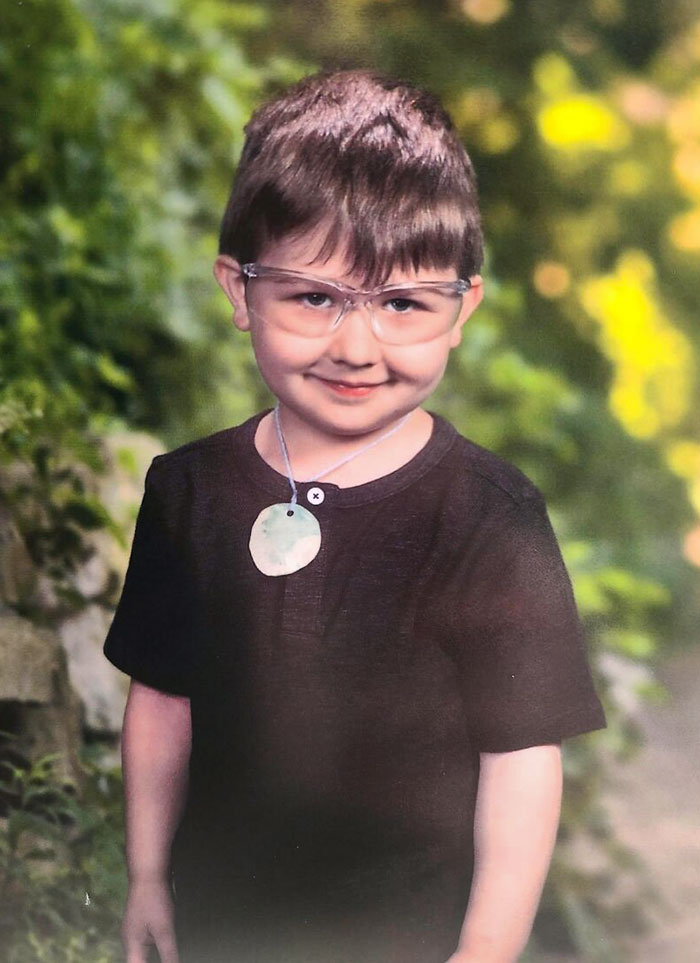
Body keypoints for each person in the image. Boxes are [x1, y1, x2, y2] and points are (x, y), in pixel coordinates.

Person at [104, 69, 605, 963]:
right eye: (315, 296)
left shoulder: (490, 518)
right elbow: (162, 701)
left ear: (461, 309)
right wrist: (146, 874)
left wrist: (486, 950)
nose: (358, 346)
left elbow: (523, 758)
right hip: (224, 930)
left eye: (403, 303)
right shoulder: (188, 492)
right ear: (240, 291)